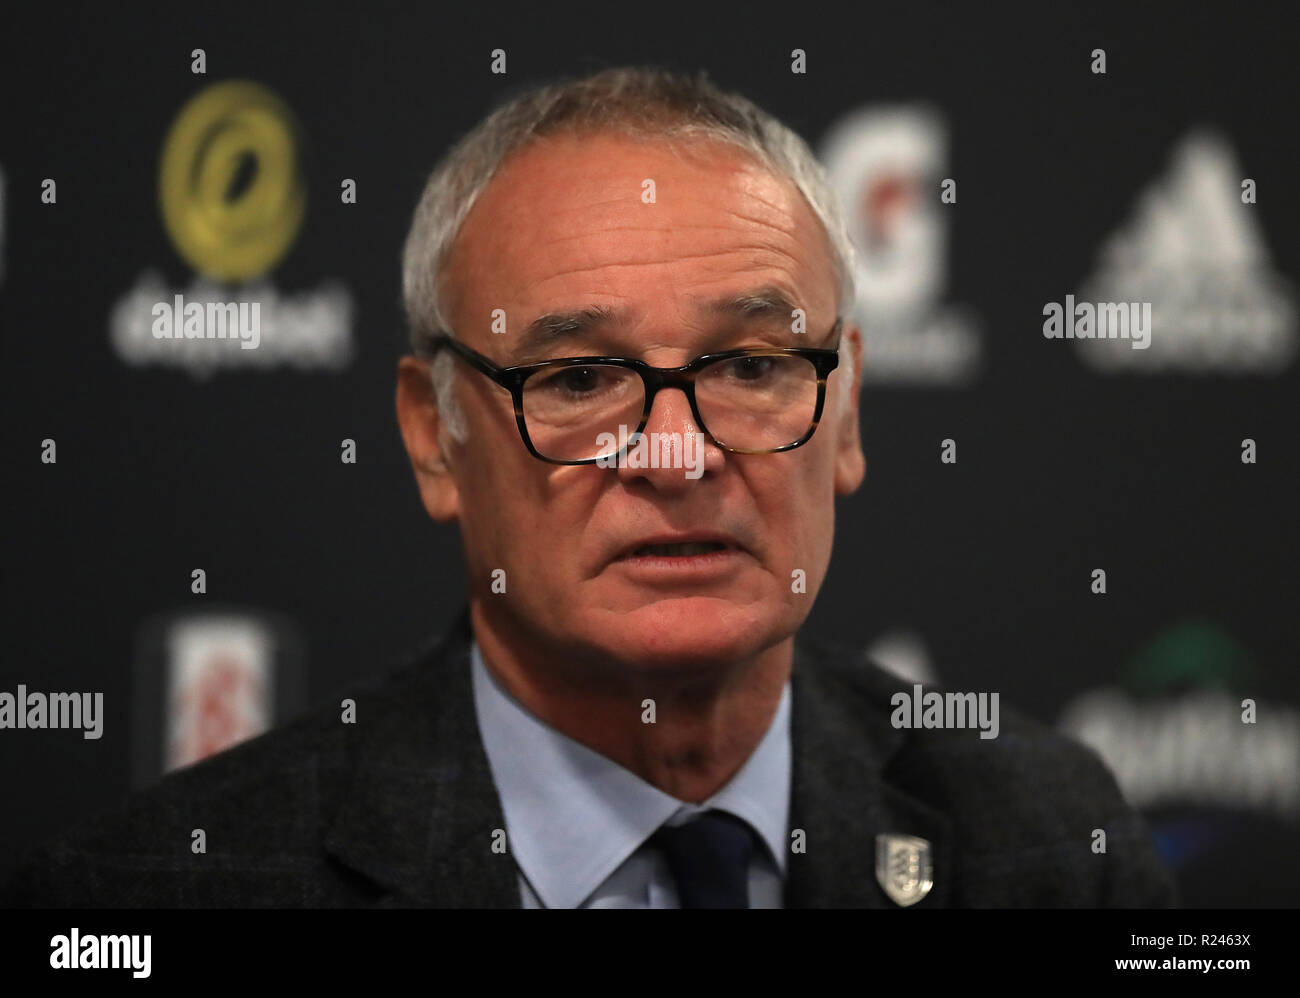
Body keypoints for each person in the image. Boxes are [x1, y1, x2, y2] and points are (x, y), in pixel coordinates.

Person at [2, 66, 1176, 908]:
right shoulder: (165, 885)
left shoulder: (1043, 841)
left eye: (754, 365)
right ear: (433, 436)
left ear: (847, 407)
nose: (675, 452)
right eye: (580, 378)